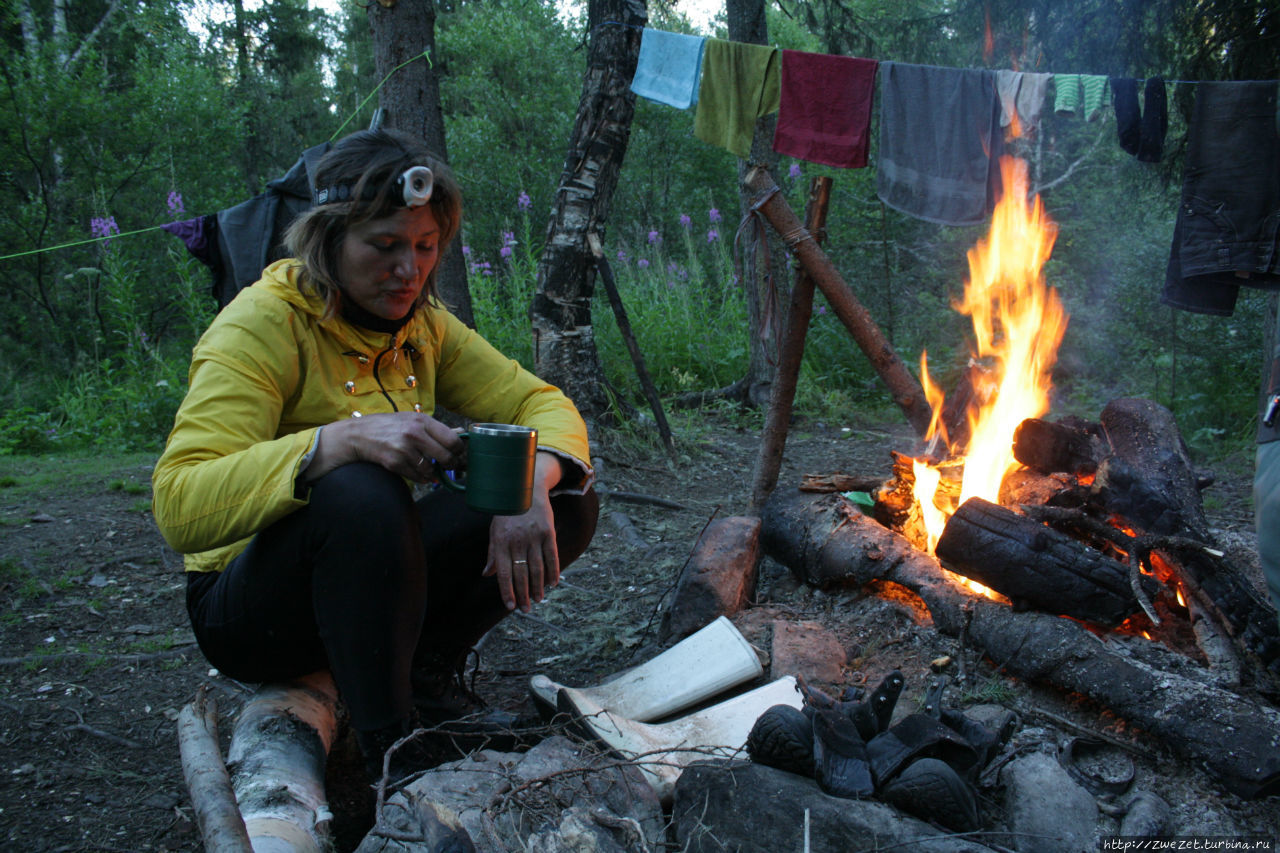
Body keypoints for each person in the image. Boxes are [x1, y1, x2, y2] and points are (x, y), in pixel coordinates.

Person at [152, 128, 598, 781]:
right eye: (384, 246)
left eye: (425, 247)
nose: (408, 269)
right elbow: (179, 503)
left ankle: (425, 681)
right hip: (248, 607)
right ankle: (396, 751)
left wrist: (533, 478)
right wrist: (334, 442)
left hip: (366, 585)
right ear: (328, 241)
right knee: (361, 486)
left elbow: (544, 404)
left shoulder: (423, 324)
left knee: (566, 493)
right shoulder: (262, 324)